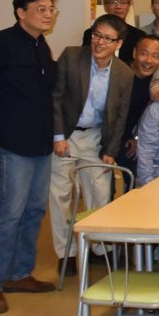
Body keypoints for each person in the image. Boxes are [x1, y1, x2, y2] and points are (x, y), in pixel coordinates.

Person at [0, 0, 59, 313]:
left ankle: (20, 273)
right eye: (41, 9)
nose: (48, 15)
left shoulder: (41, 46)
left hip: (41, 142)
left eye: (51, 9)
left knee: (34, 211)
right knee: (8, 213)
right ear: (21, 12)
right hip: (13, 144)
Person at [49, 14, 134, 273]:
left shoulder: (124, 72)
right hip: (67, 135)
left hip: (96, 137)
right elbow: (55, 97)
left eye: (107, 38)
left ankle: (99, 248)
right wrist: (58, 136)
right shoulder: (71, 56)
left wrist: (111, 150)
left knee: (100, 192)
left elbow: (120, 116)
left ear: (118, 43)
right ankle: (66, 253)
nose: (100, 42)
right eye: (97, 35)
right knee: (60, 195)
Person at [116, 34, 159, 173]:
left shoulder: (154, 84)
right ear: (134, 53)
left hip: (127, 141)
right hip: (102, 139)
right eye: (144, 54)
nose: (149, 60)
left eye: (155, 56)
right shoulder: (118, 74)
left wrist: (135, 137)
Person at [82, 0, 143, 65]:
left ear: (128, 7)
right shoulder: (91, 34)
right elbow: (85, 62)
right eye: (113, 2)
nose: (118, 6)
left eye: (123, 2)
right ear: (105, 7)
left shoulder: (139, 36)